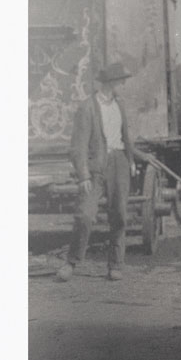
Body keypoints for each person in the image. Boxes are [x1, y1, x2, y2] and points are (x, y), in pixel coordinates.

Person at [56, 63, 137, 282]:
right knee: (85, 215)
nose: (123, 84)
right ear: (110, 82)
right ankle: (71, 262)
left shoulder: (120, 104)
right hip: (95, 167)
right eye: (121, 80)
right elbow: (78, 146)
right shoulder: (88, 107)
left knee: (119, 215)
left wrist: (130, 161)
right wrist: (83, 175)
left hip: (119, 162)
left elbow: (126, 136)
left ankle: (115, 265)